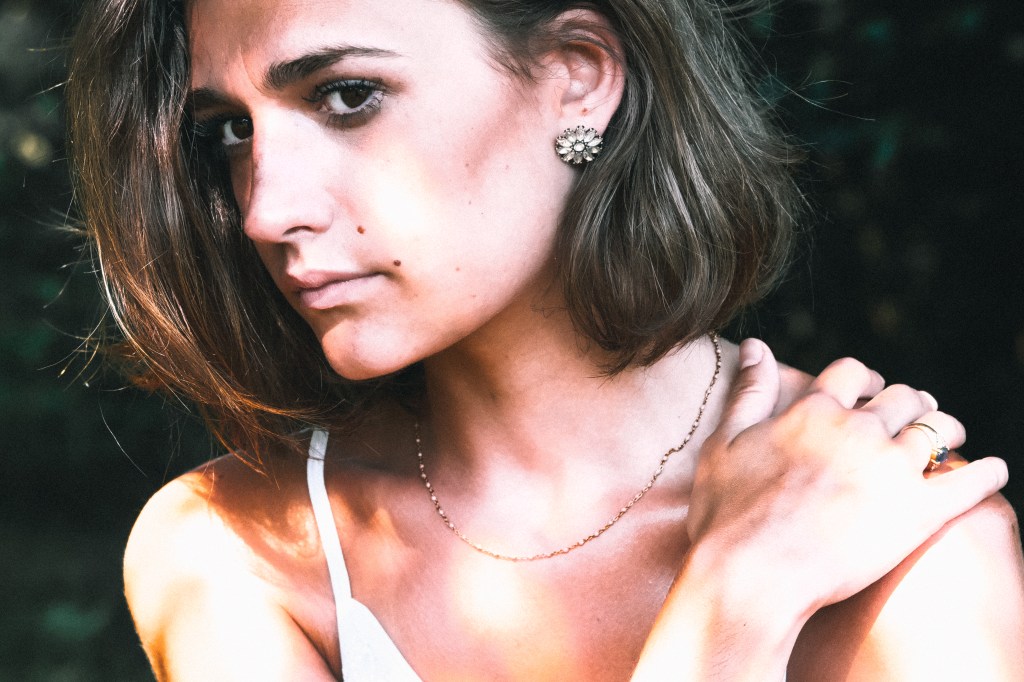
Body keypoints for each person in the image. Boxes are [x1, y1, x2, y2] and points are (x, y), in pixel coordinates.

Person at [66, 0, 1023, 679]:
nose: (266, 209)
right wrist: (733, 603)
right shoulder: (237, 548)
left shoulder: (901, 532)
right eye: (230, 131)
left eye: (347, 96)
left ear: (578, 76)